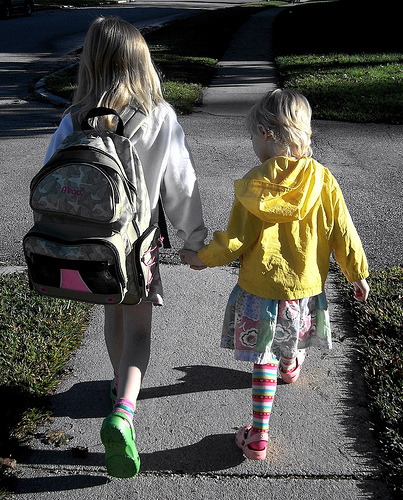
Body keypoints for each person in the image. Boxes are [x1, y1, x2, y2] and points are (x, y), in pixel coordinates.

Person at [44, 17, 207, 477]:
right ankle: (124, 411)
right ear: (142, 63)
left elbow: (51, 176)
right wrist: (194, 241)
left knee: (111, 315)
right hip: (139, 249)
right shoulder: (159, 116)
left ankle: (118, 385)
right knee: (139, 329)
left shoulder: (74, 117)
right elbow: (181, 186)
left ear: (91, 63)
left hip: (91, 247)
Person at [181, 89, 369, 460]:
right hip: (303, 288)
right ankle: (291, 365)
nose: (253, 143)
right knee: (290, 335)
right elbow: (342, 231)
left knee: (261, 357)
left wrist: (202, 257)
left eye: (253, 136)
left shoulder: (254, 185)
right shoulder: (322, 179)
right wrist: (356, 273)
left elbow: (234, 240)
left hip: (260, 290)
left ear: (266, 134)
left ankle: (258, 435)